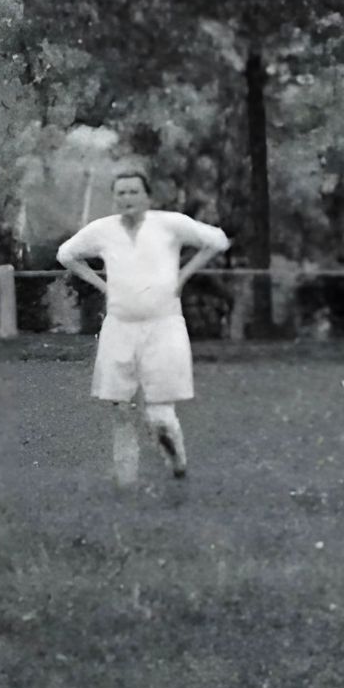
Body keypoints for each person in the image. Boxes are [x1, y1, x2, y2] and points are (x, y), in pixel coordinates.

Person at [54, 169, 231, 483]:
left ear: (147, 196)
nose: (127, 198)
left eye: (134, 192)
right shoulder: (102, 230)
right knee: (121, 409)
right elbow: (66, 255)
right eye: (121, 193)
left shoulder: (169, 224)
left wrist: (183, 275)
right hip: (120, 328)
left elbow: (216, 241)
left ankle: (177, 461)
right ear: (114, 198)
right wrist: (102, 285)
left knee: (159, 414)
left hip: (163, 327)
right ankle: (126, 482)